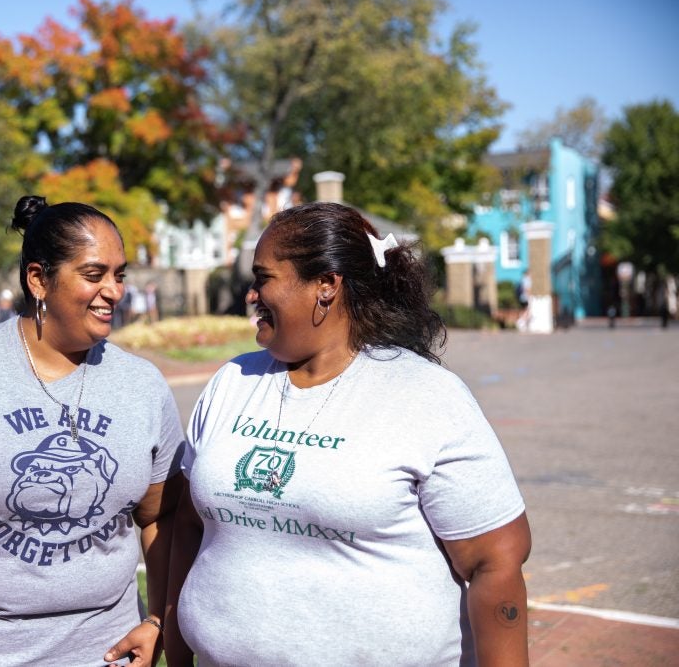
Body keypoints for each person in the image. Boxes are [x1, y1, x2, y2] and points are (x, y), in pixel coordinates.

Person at [165, 202, 531, 666]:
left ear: (325, 286)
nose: (251, 294)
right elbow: (188, 526)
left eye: (263, 278)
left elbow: (496, 560)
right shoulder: (232, 382)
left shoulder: (426, 396)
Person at [0, 195, 185, 666]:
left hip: (109, 653)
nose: (115, 290)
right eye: (94, 274)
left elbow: (159, 518)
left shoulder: (142, 385)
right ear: (39, 279)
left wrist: (158, 625)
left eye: (119, 274)